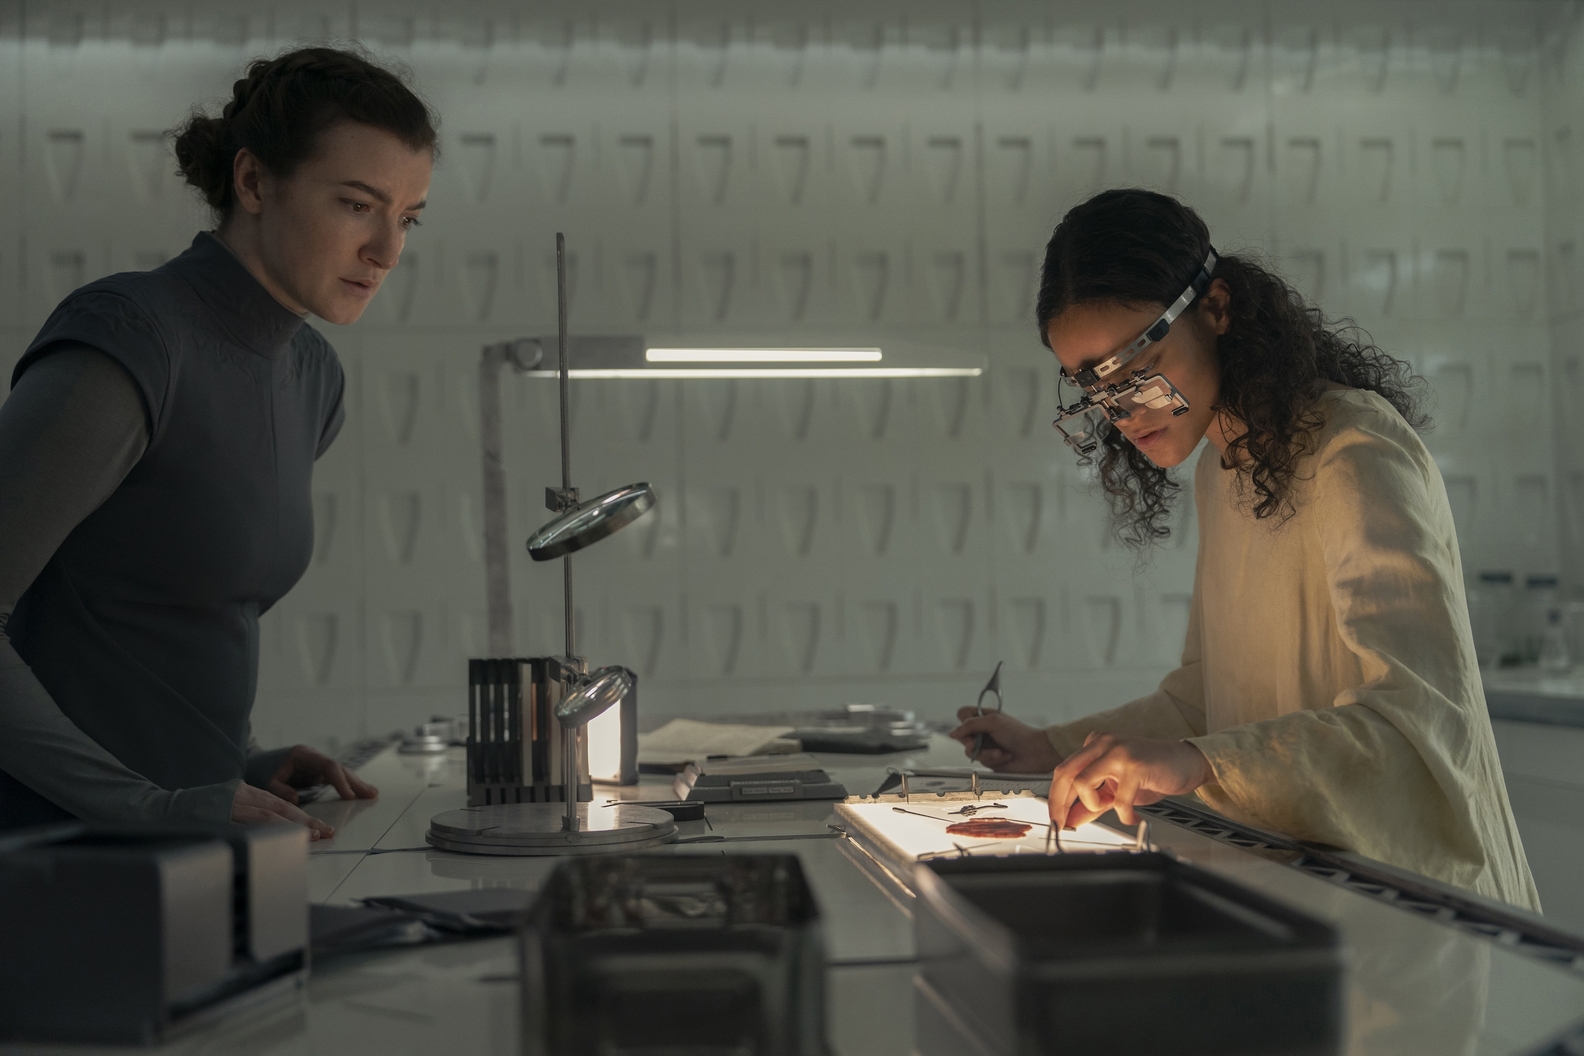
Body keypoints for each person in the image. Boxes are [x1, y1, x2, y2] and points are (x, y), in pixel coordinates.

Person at [951, 189, 1540, 910]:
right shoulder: (1222, 468)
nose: (1125, 409)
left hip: (1430, 911)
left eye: (1137, 368)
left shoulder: (1353, 448)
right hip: (1315, 895)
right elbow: (1207, 704)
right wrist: (1052, 748)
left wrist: (1195, 763)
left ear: (1218, 307)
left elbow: (1417, 732)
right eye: (1095, 388)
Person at [0, 47, 438, 838]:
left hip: (196, 843)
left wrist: (237, 761)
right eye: (355, 205)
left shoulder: (312, 377)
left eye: (406, 217)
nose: (387, 250)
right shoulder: (128, 343)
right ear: (254, 182)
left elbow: (167, 621)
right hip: (57, 857)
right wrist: (149, 804)